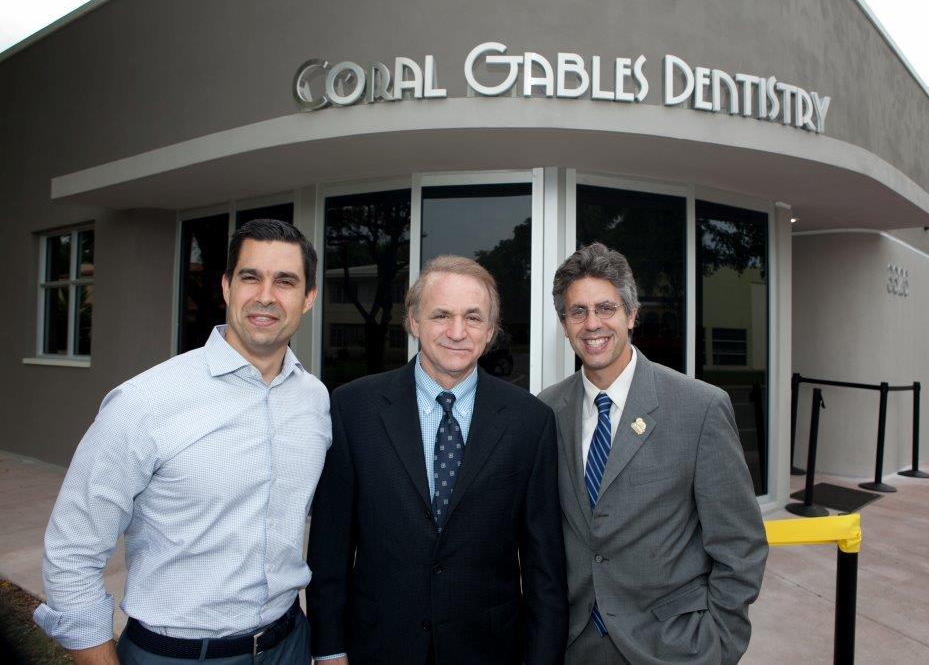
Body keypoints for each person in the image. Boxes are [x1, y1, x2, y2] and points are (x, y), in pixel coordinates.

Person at [34, 219, 330, 664]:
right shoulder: (144, 401)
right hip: (176, 655)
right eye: (251, 277)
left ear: (308, 298)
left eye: (285, 281)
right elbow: (72, 551)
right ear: (227, 287)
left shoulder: (315, 401)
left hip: (288, 645)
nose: (266, 296)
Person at [307, 255, 568, 664]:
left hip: (489, 651)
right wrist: (328, 650)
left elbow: (544, 567)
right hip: (378, 648)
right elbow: (330, 547)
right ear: (413, 322)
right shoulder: (353, 409)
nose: (457, 332)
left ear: (490, 331)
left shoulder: (530, 421)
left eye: (473, 318)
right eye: (441, 315)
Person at [538, 243, 767, 665]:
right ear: (564, 325)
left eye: (606, 308)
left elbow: (740, 543)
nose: (593, 324)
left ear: (631, 315)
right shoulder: (545, 411)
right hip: (573, 645)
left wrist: (719, 644)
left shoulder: (700, 407)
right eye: (578, 312)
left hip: (671, 646)